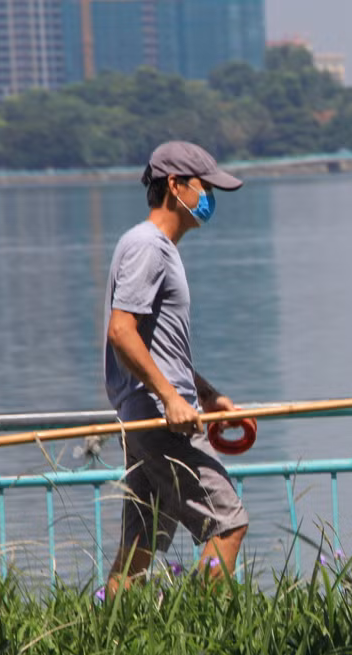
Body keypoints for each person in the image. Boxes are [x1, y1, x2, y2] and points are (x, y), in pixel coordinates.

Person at [102, 140, 249, 592]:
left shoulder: (158, 247)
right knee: (227, 522)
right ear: (175, 185)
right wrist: (170, 399)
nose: (210, 198)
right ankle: (207, 638)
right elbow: (121, 332)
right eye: (205, 187)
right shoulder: (148, 246)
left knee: (140, 545)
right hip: (161, 421)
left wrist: (204, 394)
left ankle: (107, 642)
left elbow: (158, 344)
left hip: (156, 416)